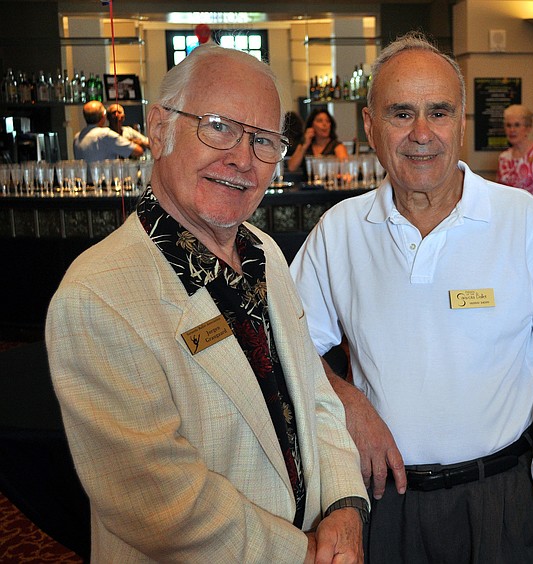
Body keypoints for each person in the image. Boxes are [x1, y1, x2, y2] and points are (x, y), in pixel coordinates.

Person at [47, 44, 367, 562]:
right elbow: (162, 504)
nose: (242, 159)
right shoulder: (96, 296)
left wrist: (346, 507)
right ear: (158, 127)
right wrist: (303, 554)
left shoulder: (265, 253)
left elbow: (315, 395)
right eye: (218, 126)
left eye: (264, 140)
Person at [290, 31, 533, 563]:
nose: (422, 133)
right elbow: (285, 342)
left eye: (439, 112)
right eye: (401, 114)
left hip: (503, 497)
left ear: (461, 124)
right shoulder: (340, 231)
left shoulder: (524, 223)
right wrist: (347, 399)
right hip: (387, 503)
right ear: (371, 128)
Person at [73, 100, 144, 162]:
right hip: (106, 176)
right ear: (104, 117)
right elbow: (138, 151)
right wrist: (133, 141)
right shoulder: (105, 134)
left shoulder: (77, 137)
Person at [286, 108, 349, 173]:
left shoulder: (337, 146)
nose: (325, 124)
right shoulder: (304, 145)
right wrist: (304, 145)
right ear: (311, 125)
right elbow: (291, 167)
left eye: (327, 121)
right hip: (308, 182)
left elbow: (346, 169)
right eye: (320, 121)